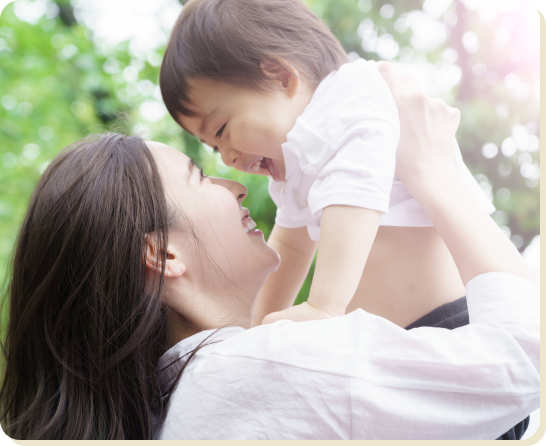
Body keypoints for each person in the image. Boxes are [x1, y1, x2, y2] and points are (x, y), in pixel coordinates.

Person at [0, 62, 538, 439]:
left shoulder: (180, 407)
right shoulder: (256, 373)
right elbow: (526, 360)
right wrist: (433, 172)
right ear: (163, 256)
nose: (233, 182)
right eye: (200, 173)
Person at [158, 0, 495, 330]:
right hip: (401, 340)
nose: (227, 158)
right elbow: (290, 246)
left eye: (221, 131)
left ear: (280, 76)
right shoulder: (295, 161)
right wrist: (250, 329)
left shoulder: (350, 96)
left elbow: (355, 188)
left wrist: (324, 306)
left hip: (452, 319)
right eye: (214, 147)